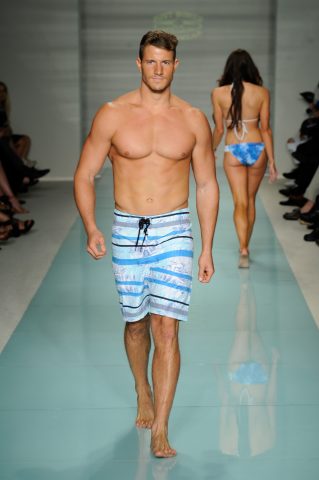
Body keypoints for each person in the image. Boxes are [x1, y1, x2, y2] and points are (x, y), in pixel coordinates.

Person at [74, 30, 219, 458]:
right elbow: (84, 174)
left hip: (175, 228)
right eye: (151, 61)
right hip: (126, 229)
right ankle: (142, 388)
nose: (158, 69)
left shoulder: (194, 119)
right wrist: (91, 227)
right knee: (136, 324)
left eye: (166, 62)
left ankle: (161, 428)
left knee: (166, 328)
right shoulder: (112, 115)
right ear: (139, 64)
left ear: (177, 65)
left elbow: (207, 185)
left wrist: (207, 246)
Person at [211, 49, 277, 268]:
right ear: (251, 68)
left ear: (228, 68)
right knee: (250, 200)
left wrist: (210, 150)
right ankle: (246, 243)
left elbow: (219, 130)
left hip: (234, 148)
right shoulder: (262, 92)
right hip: (257, 147)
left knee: (239, 202)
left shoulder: (218, 93)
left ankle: (244, 248)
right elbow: (266, 129)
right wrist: (273, 161)